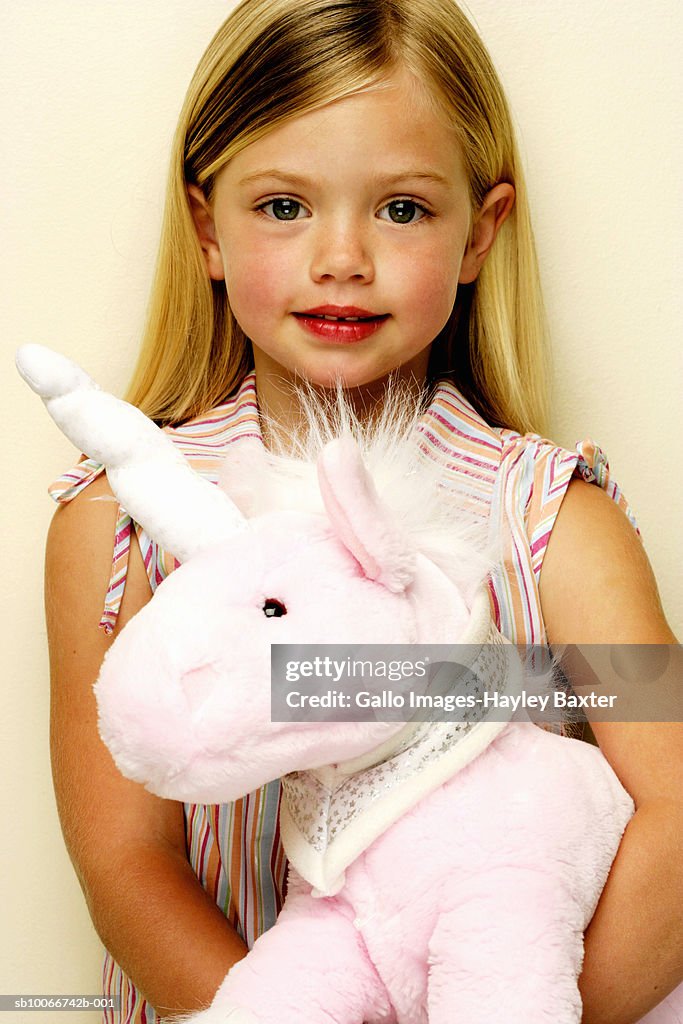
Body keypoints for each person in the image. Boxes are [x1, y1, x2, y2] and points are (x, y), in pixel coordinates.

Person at [45, 1, 682, 1021]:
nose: (341, 256)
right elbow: (127, 861)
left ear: (478, 233)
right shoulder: (116, 531)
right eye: (285, 206)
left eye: (401, 210)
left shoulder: (547, 531)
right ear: (206, 227)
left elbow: (677, 811)